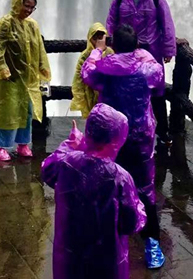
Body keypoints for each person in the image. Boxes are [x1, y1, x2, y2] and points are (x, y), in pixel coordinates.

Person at [82, 24, 167, 269]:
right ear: (136, 44)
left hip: (111, 137)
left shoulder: (104, 68)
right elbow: (159, 81)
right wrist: (142, 53)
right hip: (140, 136)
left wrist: (98, 50)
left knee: (107, 184)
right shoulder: (147, 68)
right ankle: (152, 245)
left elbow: (87, 74)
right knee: (145, 189)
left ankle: (107, 243)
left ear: (113, 45)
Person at [41, 104, 146, 279]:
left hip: (70, 255)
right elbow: (132, 222)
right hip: (108, 260)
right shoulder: (120, 178)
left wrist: (71, 145)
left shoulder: (67, 163)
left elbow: (48, 170)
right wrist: (140, 208)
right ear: (117, 140)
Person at [105, 0, 185, 144]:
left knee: (156, 92)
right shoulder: (120, 0)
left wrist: (168, 50)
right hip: (126, 54)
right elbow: (111, 22)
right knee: (127, 92)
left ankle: (163, 132)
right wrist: (111, 45)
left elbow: (167, 25)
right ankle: (126, 132)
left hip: (152, 53)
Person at [0, 0, 51, 161]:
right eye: (26, 5)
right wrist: (2, 68)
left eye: (32, 7)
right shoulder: (5, 23)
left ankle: (23, 144)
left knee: (27, 111)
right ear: (17, 3)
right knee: (9, 111)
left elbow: (39, 48)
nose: (29, 10)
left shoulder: (32, 25)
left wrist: (42, 67)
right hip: (10, 77)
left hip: (28, 77)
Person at [70, 22, 112, 118]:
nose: (98, 41)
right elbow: (78, 79)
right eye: (95, 38)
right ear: (90, 39)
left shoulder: (109, 52)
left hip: (106, 94)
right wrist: (80, 99)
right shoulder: (85, 55)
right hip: (89, 94)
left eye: (100, 38)